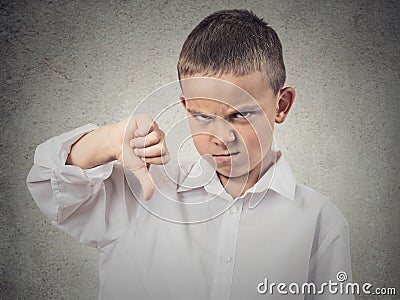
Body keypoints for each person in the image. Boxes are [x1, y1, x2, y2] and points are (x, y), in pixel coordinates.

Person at [27, 9, 354, 300]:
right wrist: (110, 140)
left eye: (241, 115)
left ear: (281, 106)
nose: (222, 138)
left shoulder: (319, 221)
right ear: (185, 106)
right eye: (202, 117)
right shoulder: (142, 192)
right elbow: (48, 183)